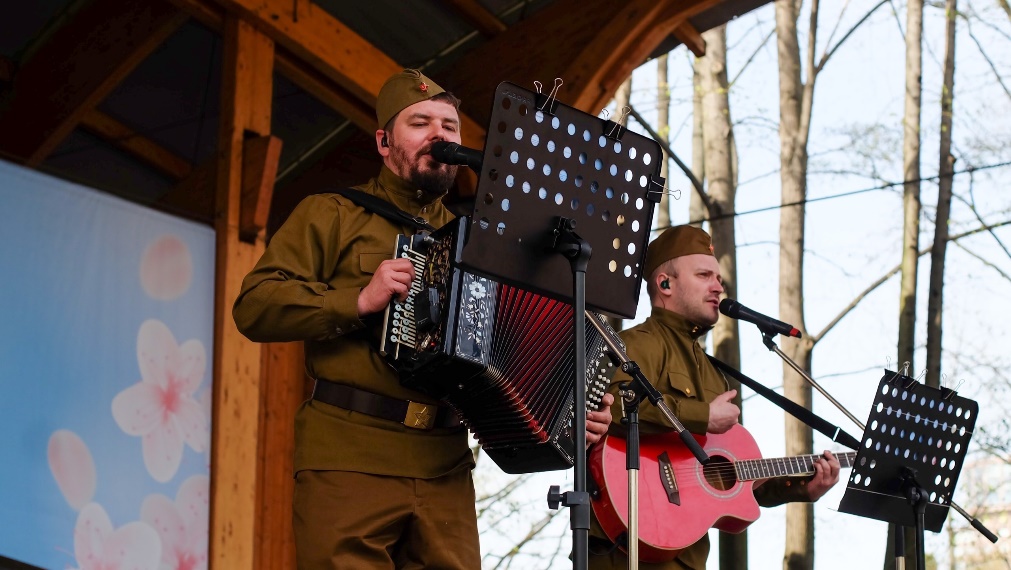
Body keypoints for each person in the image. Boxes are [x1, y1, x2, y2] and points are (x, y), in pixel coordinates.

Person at [232, 68, 614, 569]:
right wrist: (359, 299)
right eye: (421, 122)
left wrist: (573, 408)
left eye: (450, 127)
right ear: (384, 141)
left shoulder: (482, 242)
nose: (440, 135)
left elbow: (521, 346)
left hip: (445, 464)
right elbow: (254, 306)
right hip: (349, 454)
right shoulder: (332, 213)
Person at [588, 224, 841, 570]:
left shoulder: (713, 374)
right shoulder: (639, 343)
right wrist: (701, 416)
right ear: (665, 284)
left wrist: (802, 490)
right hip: (626, 550)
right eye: (705, 275)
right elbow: (611, 404)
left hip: (688, 555)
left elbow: (736, 482)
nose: (718, 286)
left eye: (719, 278)